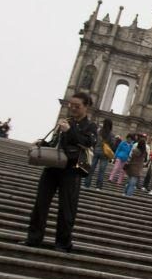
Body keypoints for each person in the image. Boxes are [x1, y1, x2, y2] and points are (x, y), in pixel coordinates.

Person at [24, 93, 98, 252]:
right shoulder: (66, 121)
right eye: (71, 105)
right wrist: (42, 143)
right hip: (53, 166)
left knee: (67, 207)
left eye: (77, 106)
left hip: (72, 169)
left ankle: (63, 243)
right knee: (41, 203)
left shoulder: (90, 127)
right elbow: (55, 143)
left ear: (86, 107)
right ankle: (34, 238)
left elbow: (87, 142)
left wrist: (70, 131)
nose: (72, 108)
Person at [82, 118, 114, 189]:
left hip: (96, 151)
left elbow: (94, 140)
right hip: (105, 154)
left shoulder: (99, 131)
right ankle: (98, 187)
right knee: (101, 171)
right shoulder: (111, 134)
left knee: (91, 169)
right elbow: (112, 144)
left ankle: (86, 184)